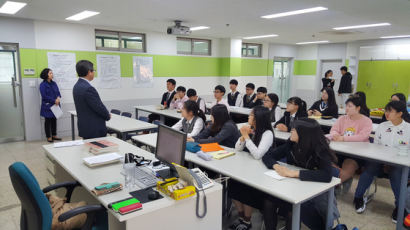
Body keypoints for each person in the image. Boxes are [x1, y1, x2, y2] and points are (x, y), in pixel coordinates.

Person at [262, 118, 339, 230]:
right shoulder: (292, 143)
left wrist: (294, 173)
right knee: (269, 202)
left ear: (304, 134)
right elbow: (268, 156)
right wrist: (276, 166)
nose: (291, 131)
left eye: (294, 130)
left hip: (312, 193)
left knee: (292, 212)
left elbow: (326, 175)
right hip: (292, 188)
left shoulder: (320, 149)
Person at [353, 101, 410, 221]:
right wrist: (383, 162)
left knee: (396, 173)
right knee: (370, 168)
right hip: (380, 162)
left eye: (390, 111)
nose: (387, 113)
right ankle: (358, 197)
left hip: (399, 164)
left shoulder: (408, 129)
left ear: (400, 113)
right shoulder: (383, 126)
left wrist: (392, 162)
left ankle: (400, 208)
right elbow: (376, 147)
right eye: (386, 110)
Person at [228, 106, 275, 230]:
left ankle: (247, 221)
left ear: (258, 118)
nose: (248, 117)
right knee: (233, 184)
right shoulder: (252, 129)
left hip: (262, 170)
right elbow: (237, 149)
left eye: (251, 115)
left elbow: (258, 155)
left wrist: (247, 137)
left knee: (246, 189)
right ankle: (241, 217)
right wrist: (243, 137)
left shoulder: (267, 133)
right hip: (249, 166)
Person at [329, 96, 372, 186]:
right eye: (346, 106)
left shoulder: (367, 121)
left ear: (358, 108)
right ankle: (340, 182)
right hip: (340, 150)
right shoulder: (342, 118)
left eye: (350, 106)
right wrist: (335, 135)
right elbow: (334, 130)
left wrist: (343, 138)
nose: (347, 108)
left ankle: (334, 186)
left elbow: (362, 137)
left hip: (356, 153)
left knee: (348, 168)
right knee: (326, 163)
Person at [73, 60, 110, 139]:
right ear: (89, 72)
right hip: (94, 128)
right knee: (98, 149)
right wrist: (107, 115)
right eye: (94, 71)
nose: (94, 73)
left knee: (89, 149)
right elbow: (98, 106)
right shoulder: (88, 88)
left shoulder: (76, 86)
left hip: (85, 127)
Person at [39, 68, 62, 142]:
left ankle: (54, 135)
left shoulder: (54, 83)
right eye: (50, 73)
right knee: (47, 121)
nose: (52, 74)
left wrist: (58, 98)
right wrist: (54, 100)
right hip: (48, 106)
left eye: (52, 73)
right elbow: (44, 96)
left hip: (55, 105)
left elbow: (58, 92)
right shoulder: (42, 85)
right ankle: (49, 136)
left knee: (54, 120)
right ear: (46, 75)